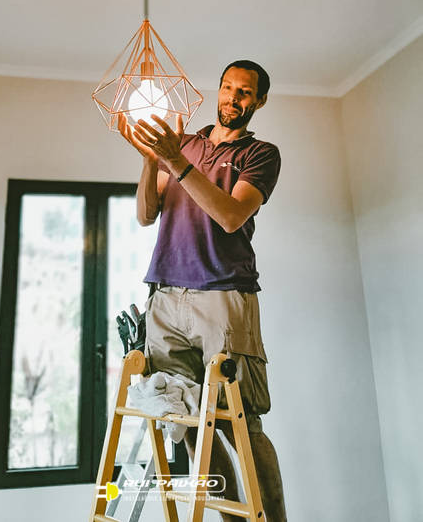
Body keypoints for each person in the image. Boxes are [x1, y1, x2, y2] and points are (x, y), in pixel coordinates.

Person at [118, 60, 287, 522]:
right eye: (228, 87)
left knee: (240, 423)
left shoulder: (260, 154)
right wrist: (150, 158)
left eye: (245, 92)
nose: (234, 98)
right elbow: (146, 214)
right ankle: (230, 518)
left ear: (259, 100)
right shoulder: (185, 142)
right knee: (192, 425)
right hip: (165, 297)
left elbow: (231, 216)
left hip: (224, 297)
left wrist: (175, 161)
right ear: (218, 90)